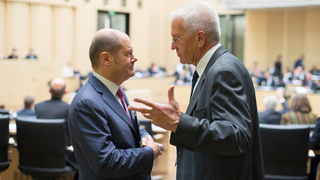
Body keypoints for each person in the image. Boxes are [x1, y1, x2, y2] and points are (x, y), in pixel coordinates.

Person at [128, 1, 265, 180]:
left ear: (200, 38)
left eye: (176, 39)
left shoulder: (223, 71)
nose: (172, 46)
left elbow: (237, 136)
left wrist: (179, 123)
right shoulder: (213, 68)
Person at [68, 28, 163, 180]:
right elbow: (106, 162)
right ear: (106, 59)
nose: (135, 58)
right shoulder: (87, 103)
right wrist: (149, 152)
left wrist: (147, 138)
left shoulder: (117, 91)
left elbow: (130, 128)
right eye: (128, 54)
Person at [34, 78, 78, 174]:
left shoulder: (38, 107)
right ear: (65, 92)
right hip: (64, 159)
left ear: (49, 91)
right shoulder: (69, 108)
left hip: (40, 158)